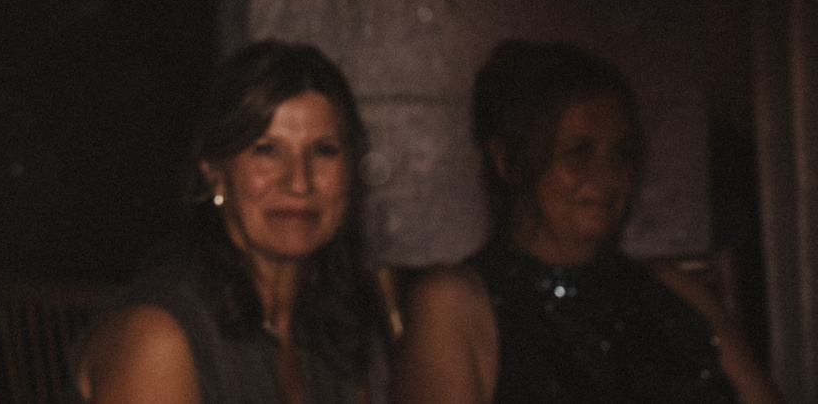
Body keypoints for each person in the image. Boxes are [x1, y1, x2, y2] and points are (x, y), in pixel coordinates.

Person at [395, 41, 779, 404]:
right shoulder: (454, 304)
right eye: (578, 152)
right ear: (507, 161)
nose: (607, 176)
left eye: (622, 154)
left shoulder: (677, 295)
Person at [78, 41, 386, 404]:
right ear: (215, 175)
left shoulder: (337, 330)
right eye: (267, 150)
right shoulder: (160, 338)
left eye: (324, 151)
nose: (299, 182)